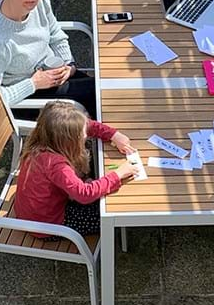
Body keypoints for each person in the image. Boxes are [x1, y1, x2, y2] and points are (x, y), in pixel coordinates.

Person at [13, 101, 139, 236]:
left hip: (33, 212)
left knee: (101, 190)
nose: (85, 135)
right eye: (81, 135)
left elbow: (85, 125)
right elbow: (84, 194)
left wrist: (114, 135)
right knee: (110, 215)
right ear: (68, 140)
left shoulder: (43, 139)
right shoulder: (57, 166)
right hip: (47, 224)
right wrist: (118, 174)